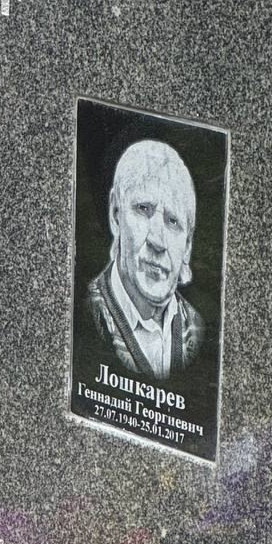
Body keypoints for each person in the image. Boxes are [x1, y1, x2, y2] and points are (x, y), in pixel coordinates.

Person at [88, 140, 203, 380]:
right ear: (115, 214)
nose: (157, 241)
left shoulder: (198, 329)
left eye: (173, 221)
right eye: (143, 209)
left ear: (187, 247)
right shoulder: (87, 314)